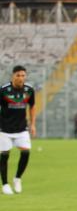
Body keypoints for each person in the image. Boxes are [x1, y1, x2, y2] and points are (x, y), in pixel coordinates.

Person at [0, 66, 36, 195]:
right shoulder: (3, 90)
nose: (21, 78)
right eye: (18, 75)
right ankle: (5, 184)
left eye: (23, 75)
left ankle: (17, 178)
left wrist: (32, 124)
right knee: (4, 156)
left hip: (22, 128)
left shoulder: (29, 90)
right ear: (13, 76)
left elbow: (32, 107)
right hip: (4, 129)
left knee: (26, 153)